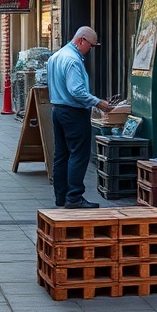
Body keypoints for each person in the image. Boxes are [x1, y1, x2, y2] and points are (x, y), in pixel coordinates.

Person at [46, 26, 113, 208]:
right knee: (78, 154)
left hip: (58, 110)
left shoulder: (56, 56)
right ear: (81, 40)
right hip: (73, 113)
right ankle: (74, 197)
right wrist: (98, 102)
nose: (90, 49)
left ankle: (61, 196)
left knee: (61, 154)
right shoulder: (73, 60)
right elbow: (76, 91)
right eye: (91, 45)